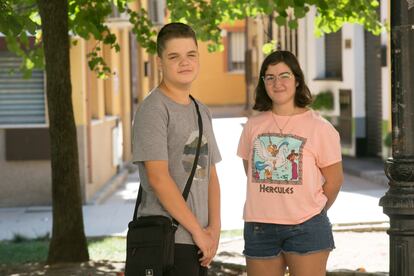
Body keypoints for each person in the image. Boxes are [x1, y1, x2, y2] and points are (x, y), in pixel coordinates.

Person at [237, 50, 344, 276]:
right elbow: (251, 171)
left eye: (284, 76)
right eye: (270, 77)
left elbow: (334, 181)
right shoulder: (253, 126)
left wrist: (310, 209)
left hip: (306, 226)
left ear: (297, 80)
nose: (278, 83)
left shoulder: (320, 128)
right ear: (263, 83)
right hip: (259, 227)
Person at [132, 22, 221, 275]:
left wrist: (213, 229)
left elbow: (210, 175)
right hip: (166, 240)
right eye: (174, 56)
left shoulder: (201, 110)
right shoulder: (153, 110)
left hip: (199, 241)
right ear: (160, 61)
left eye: (191, 55)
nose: (185, 62)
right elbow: (158, 179)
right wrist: (197, 232)